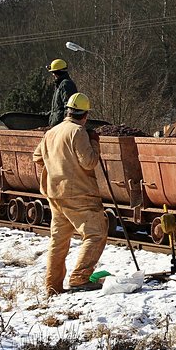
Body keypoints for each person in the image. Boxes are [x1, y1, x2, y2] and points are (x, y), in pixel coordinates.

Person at [32, 92, 108, 295]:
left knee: (58, 242)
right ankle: (80, 278)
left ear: (68, 112)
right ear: (85, 115)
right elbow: (89, 162)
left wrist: (57, 165)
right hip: (79, 194)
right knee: (96, 234)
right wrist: (94, 142)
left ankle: (52, 286)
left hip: (55, 193)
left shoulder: (52, 132)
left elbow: (37, 157)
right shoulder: (78, 132)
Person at [47, 59, 78, 127]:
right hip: (58, 125)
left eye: (53, 72)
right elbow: (57, 109)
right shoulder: (60, 85)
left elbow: (68, 108)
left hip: (60, 126)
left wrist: (65, 125)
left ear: (56, 73)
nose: (53, 75)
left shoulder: (65, 84)